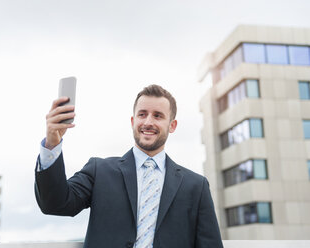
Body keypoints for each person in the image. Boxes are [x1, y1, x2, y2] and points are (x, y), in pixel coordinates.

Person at [35, 84, 223, 248]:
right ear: (133, 121)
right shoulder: (99, 171)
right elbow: (55, 203)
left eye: (158, 116)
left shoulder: (196, 187)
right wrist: (52, 144)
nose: (148, 122)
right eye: (142, 114)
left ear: (172, 125)